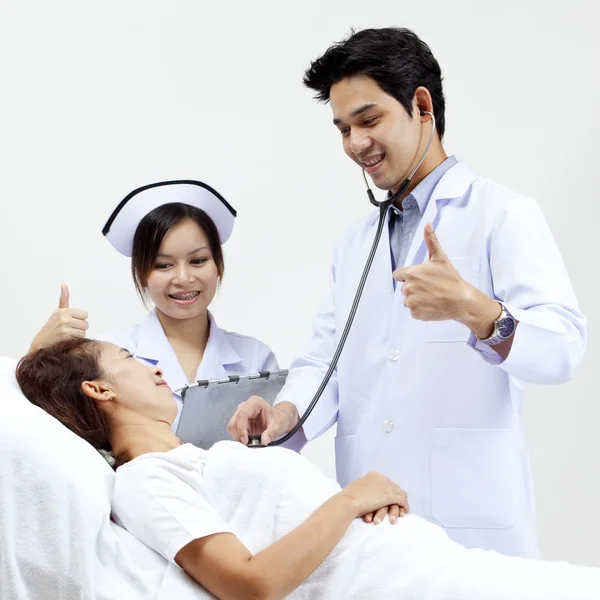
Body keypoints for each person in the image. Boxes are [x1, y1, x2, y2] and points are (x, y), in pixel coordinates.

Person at [227, 27, 586, 558]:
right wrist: (288, 415)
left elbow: (563, 348)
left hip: (471, 526)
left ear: (422, 106)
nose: (355, 144)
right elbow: (325, 358)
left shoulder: (501, 214)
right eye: (343, 128)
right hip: (373, 525)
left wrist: (476, 310)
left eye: (369, 120)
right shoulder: (355, 243)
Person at [14, 338, 600, 600]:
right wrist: (349, 501)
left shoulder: (193, 456)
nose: (152, 367)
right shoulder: (143, 478)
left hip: (424, 565)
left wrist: (362, 505)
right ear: (98, 389)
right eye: (128, 359)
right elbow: (249, 585)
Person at [29, 180, 278, 432]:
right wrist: (40, 350)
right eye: (163, 265)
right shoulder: (106, 358)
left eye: (198, 260)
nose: (183, 278)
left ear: (218, 266)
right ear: (142, 273)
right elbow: (51, 435)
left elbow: (281, 455)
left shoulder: (255, 359)